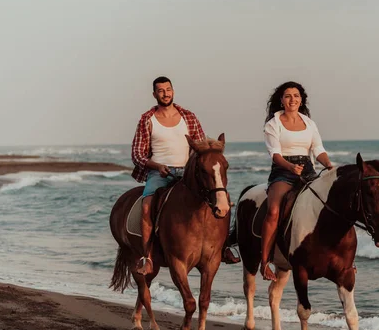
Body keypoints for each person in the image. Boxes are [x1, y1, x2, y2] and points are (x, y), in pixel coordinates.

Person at [131, 76, 239, 275]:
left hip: (188, 172)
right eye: (161, 91)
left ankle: (223, 248)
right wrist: (157, 165)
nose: (165, 93)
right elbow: (137, 154)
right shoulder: (147, 119)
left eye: (168, 89)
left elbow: (201, 146)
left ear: (173, 91)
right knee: (147, 206)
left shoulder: (188, 116)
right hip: (160, 172)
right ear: (154, 94)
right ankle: (147, 257)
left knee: (222, 198)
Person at [261, 81, 333, 281]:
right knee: (273, 211)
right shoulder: (273, 124)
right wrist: (290, 167)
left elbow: (318, 150)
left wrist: (329, 166)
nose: (292, 99)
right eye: (288, 96)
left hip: (308, 170)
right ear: (281, 100)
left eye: (296, 96)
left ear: (301, 100)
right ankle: (265, 262)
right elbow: (275, 154)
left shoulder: (309, 123)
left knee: (333, 204)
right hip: (283, 171)